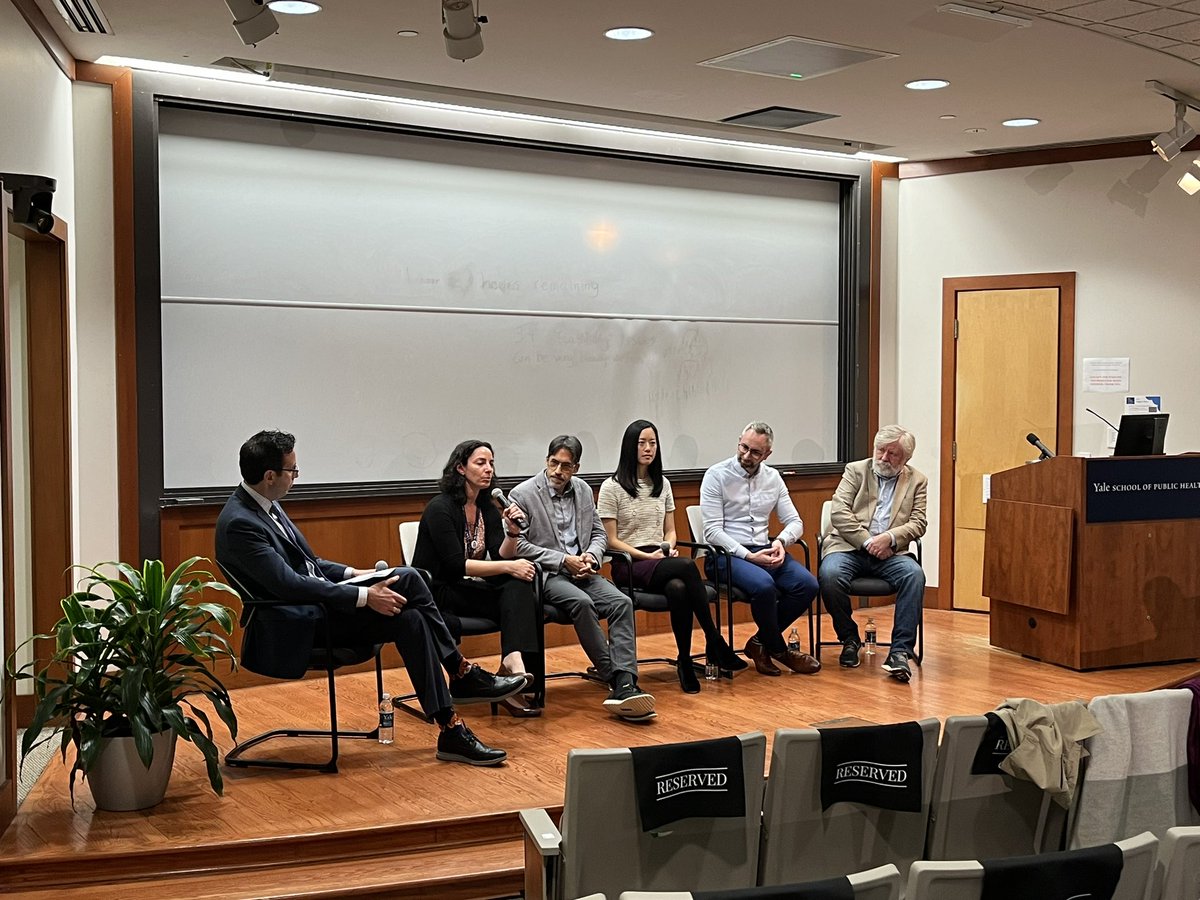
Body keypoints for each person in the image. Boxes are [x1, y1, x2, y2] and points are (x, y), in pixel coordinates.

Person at [215, 430, 527, 766]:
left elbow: (312, 565)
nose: (296, 476)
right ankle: (462, 673)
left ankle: (450, 727)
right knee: (409, 577)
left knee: (411, 617)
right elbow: (289, 585)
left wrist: (356, 573)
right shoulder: (240, 523)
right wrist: (364, 596)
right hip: (298, 624)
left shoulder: (266, 505)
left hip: (321, 608)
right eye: (293, 471)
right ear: (270, 476)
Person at [503, 434, 656, 720]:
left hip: (584, 570)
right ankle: (617, 680)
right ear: (546, 461)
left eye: (566, 466)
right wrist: (563, 560)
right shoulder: (522, 494)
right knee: (583, 603)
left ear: (577, 467)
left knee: (621, 602)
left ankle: (625, 681)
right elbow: (518, 545)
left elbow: (599, 534)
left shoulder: (583, 491)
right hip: (550, 575)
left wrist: (592, 557)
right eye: (553, 463)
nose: (558, 472)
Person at [597, 419, 745, 694]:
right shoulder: (611, 487)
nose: (648, 448)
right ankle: (715, 642)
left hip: (660, 559)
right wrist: (647, 555)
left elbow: (671, 530)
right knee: (688, 566)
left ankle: (685, 662)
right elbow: (611, 540)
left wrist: (667, 547)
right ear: (629, 447)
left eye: (652, 443)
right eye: (642, 443)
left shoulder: (662, 484)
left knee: (678, 587)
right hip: (629, 563)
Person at [412, 440, 543, 717]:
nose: (488, 470)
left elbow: (500, 556)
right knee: (512, 575)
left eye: (491, 464)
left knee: (519, 584)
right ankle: (511, 672)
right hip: (436, 593)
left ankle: (512, 661)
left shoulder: (486, 508)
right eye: (480, 463)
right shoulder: (440, 508)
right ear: (460, 468)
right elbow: (456, 565)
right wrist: (509, 568)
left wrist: (512, 533)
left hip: (463, 589)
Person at [699, 421, 821, 677]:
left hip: (765, 548)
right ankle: (779, 650)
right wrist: (748, 555)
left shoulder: (772, 477)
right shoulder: (716, 475)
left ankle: (758, 643)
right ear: (739, 441)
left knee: (808, 585)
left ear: (767, 454)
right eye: (743, 447)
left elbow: (795, 522)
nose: (746, 455)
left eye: (755, 452)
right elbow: (711, 532)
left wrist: (781, 542)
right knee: (764, 585)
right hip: (725, 554)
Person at [817, 424, 927, 683]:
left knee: (914, 576)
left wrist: (889, 538)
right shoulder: (856, 471)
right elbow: (839, 512)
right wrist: (868, 542)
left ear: (906, 459)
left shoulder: (917, 480)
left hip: (891, 554)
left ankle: (900, 651)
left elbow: (919, 522)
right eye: (880, 450)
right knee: (830, 575)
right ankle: (849, 639)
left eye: (893, 454)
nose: (884, 458)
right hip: (849, 547)